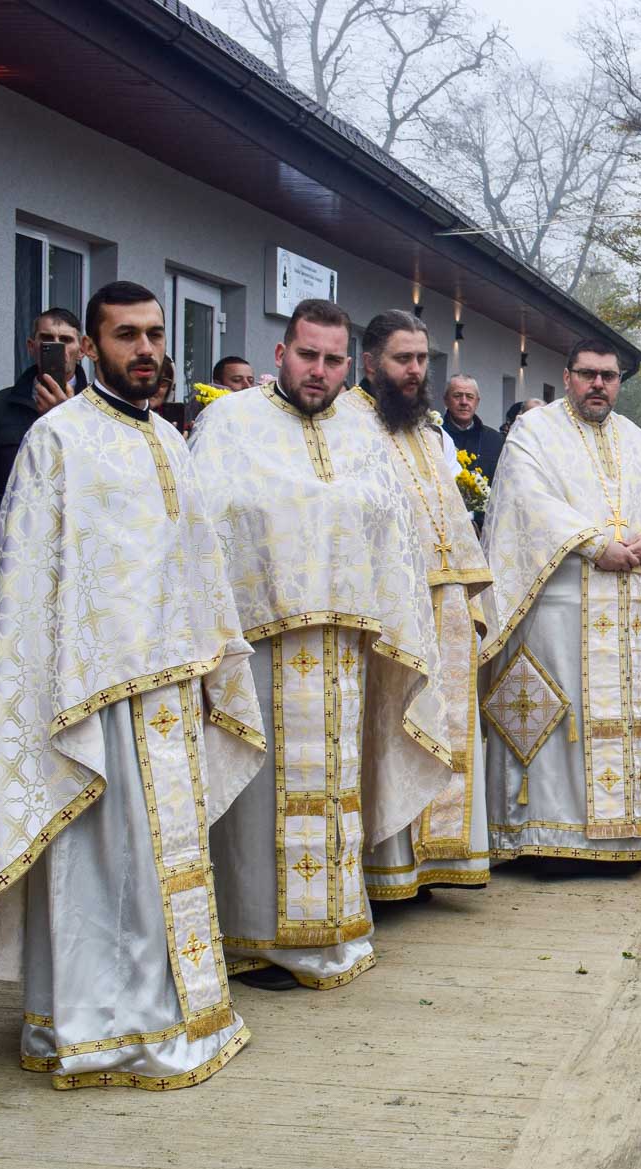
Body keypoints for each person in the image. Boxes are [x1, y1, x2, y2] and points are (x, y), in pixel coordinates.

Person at [0, 281, 265, 1089]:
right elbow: (26, 583)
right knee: (103, 865)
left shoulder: (169, 439)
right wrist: (53, 688)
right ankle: (94, 1026)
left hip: (171, 692)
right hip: (94, 697)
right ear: (89, 346)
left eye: (154, 334)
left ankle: (171, 1009)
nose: (146, 350)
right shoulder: (57, 441)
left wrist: (216, 662)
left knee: (162, 869)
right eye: (126, 336)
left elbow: (197, 563)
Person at [192, 299, 452, 992]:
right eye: (308, 355)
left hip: (343, 652)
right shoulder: (229, 422)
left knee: (333, 793)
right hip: (257, 650)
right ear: (281, 354)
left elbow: (391, 537)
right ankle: (248, 936)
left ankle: (335, 925)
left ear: (350, 365)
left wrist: (392, 629)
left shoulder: (365, 429)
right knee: (257, 790)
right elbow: (206, 528)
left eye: (334, 359)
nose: (320, 370)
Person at [478, 339, 641, 872]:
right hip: (559, 604)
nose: (599, 385)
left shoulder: (634, 440)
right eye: (589, 374)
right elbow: (528, 501)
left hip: (624, 609)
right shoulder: (535, 431)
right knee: (556, 719)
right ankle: (549, 838)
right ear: (568, 376)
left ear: (620, 383)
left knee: (620, 717)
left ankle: (622, 838)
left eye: (610, 376)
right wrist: (596, 543)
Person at [350, 316, 493, 902]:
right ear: (369, 364)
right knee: (388, 731)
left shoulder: (432, 433)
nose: (413, 372)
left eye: (420, 360)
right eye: (401, 359)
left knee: (445, 726)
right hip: (391, 607)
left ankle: (427, 867)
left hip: (446, 602)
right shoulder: (349, 426)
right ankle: (385, 867)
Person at [0, 306, 87, 497]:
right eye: (47, 339)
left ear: (82, 349)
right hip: (14, 519)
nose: (57, 347)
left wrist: (64, 417)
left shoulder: (99, 407)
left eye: (66, 340)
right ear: (32, 347)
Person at [441, 374, 504, 517]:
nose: (464, 402)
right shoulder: (434, 436)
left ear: (477, 402)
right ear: (446, 400)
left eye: (469, 397)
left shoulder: (496, 441)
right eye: (457, 396)